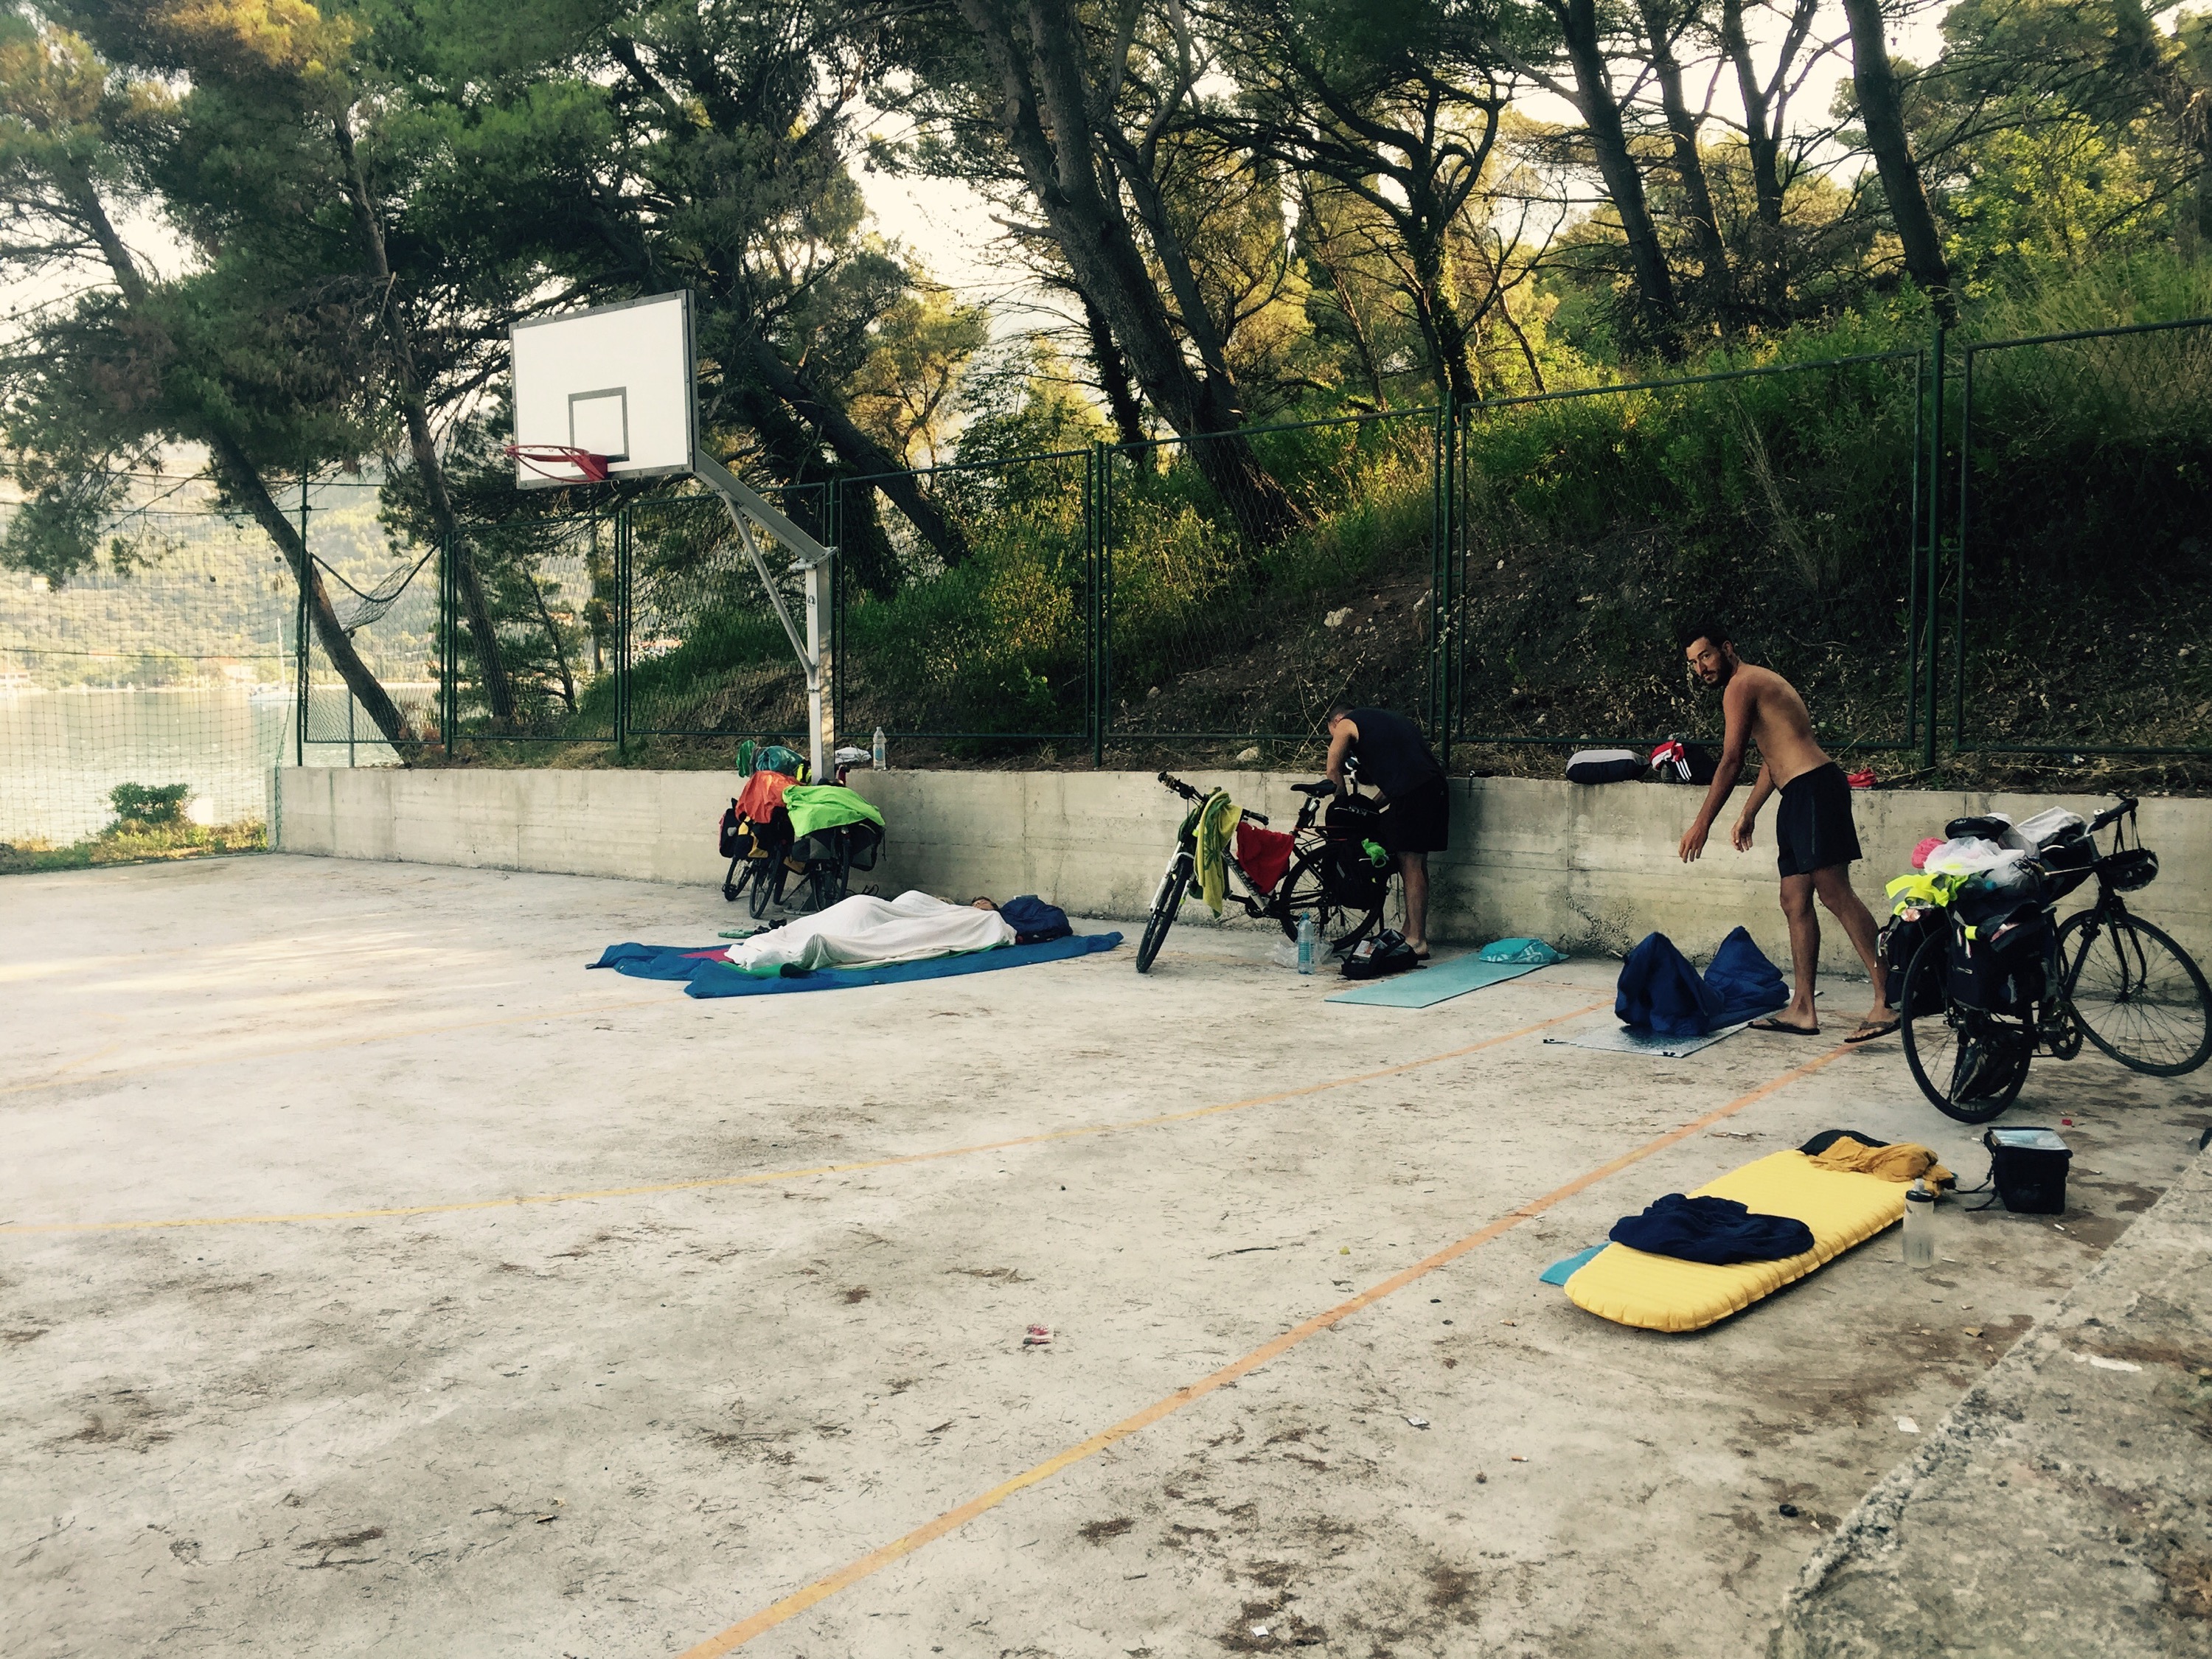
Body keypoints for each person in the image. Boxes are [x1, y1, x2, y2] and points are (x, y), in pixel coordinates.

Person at [1674, 622, 1893, 1043]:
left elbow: (1731, 760)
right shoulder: (1754, 685)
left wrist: (1703, 823)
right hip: (1798, 793)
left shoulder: (1742, 684)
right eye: (1693, 663)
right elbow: (1773, 758)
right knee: (1793, 900)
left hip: (1814, 789)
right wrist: (1749, 813)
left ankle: (1887, 998)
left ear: (1726, 649)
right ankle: (1803, 1009)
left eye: (1705, 656)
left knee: (1834, 892)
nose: (1701, 668)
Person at [1324, 701, 1448, 958]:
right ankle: (1409, 931)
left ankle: (1418, 940)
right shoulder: (1391, 718)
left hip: (1414, 793)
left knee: (1410, 863)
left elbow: (1332, 769)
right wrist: (1371, 807)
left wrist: (1342, 805)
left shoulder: (1346, 724)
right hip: (1434, 787)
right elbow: (1401, 778)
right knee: (1417, 863)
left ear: (1335, 723)